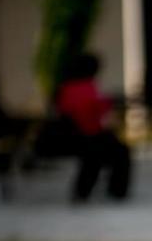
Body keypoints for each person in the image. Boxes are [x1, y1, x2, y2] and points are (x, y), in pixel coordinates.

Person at [55, 53, 131, 202]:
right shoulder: (86, 87)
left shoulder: (65, 87)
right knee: (118, 150)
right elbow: (89, 115)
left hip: (70, 136)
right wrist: (108, 105)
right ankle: (116, 190)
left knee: (104, 150)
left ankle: (84, 190)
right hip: (85, 135)